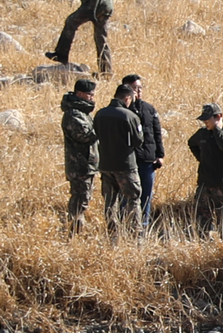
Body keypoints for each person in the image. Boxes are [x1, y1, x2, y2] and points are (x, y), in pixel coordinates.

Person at [93, 83, 143, 241]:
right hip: (125, 165)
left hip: (105, 164)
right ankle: (135, 236)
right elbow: (138, 141)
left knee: (110, 202)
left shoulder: (100, 114)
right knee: (133, 200)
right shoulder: (129, 116)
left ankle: (112, 235)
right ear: (127, 98)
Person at [188, 103, 223, 237]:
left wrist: (216, 129)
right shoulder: (203, 133)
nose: (205, 122)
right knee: (202, 218)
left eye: (207, 119)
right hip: (205, 183)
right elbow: (191, 143)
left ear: (218, 117)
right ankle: (204, 241)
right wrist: (202, 158)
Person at [123, 73, 164, 226]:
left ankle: (144, 225)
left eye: (140, 88)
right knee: (127, 196)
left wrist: (160, 155)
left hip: (148, 159)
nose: (138, 91)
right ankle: (126, 225)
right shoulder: (122, 109)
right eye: (134, 88)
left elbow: (157, 132)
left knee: (146, 196)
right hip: (129, 161)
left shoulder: (149, 109)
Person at [60, 77, 98, 235]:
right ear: (80, 94)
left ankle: (76, 230)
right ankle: (73, 232)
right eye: (89, 94)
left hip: (87, 164)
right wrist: (101, 128)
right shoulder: (73, 114)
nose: (92, 98)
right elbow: (84, 136)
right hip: (79, 166)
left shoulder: (83, 113)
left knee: (84, 198)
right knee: (79, 200)